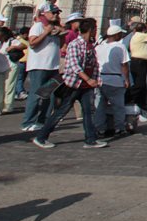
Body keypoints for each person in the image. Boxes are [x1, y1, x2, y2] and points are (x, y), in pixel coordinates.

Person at [33, 18, 108, 150]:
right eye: (95, 29)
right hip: (74, 84)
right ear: (90, 30)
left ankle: (90, 139)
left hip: (86, 86)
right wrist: (88, 79)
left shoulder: (90, 45)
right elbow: (75, 66)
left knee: (88, 112)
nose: (96, 32)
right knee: (62, 111)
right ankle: (41, 137)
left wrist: (96, 80)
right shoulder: (75, 44)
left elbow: (94, 65)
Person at [21, 3, 63, 131]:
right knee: (36, 94)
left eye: (57, 13)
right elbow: (32, 43)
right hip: (39, 66)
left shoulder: (56, 27)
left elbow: (61, 45)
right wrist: (46, 32)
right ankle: (28, 122)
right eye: (53, 12)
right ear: (45, 13)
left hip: (53, 66)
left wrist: (61, 33)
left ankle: (42, 120)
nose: (56, 15)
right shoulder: (38, 26)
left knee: (49, 95)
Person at [96, 22, 131, 135]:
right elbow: (124, 65)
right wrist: (127, 79)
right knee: (118, 106)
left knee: (100, 106)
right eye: (120, 34)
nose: (121, 36)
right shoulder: (120, 47)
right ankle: (119, 127)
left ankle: (100, 128)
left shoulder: (99, 47)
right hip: (115, 79)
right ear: (116, 35)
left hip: (100, 79)